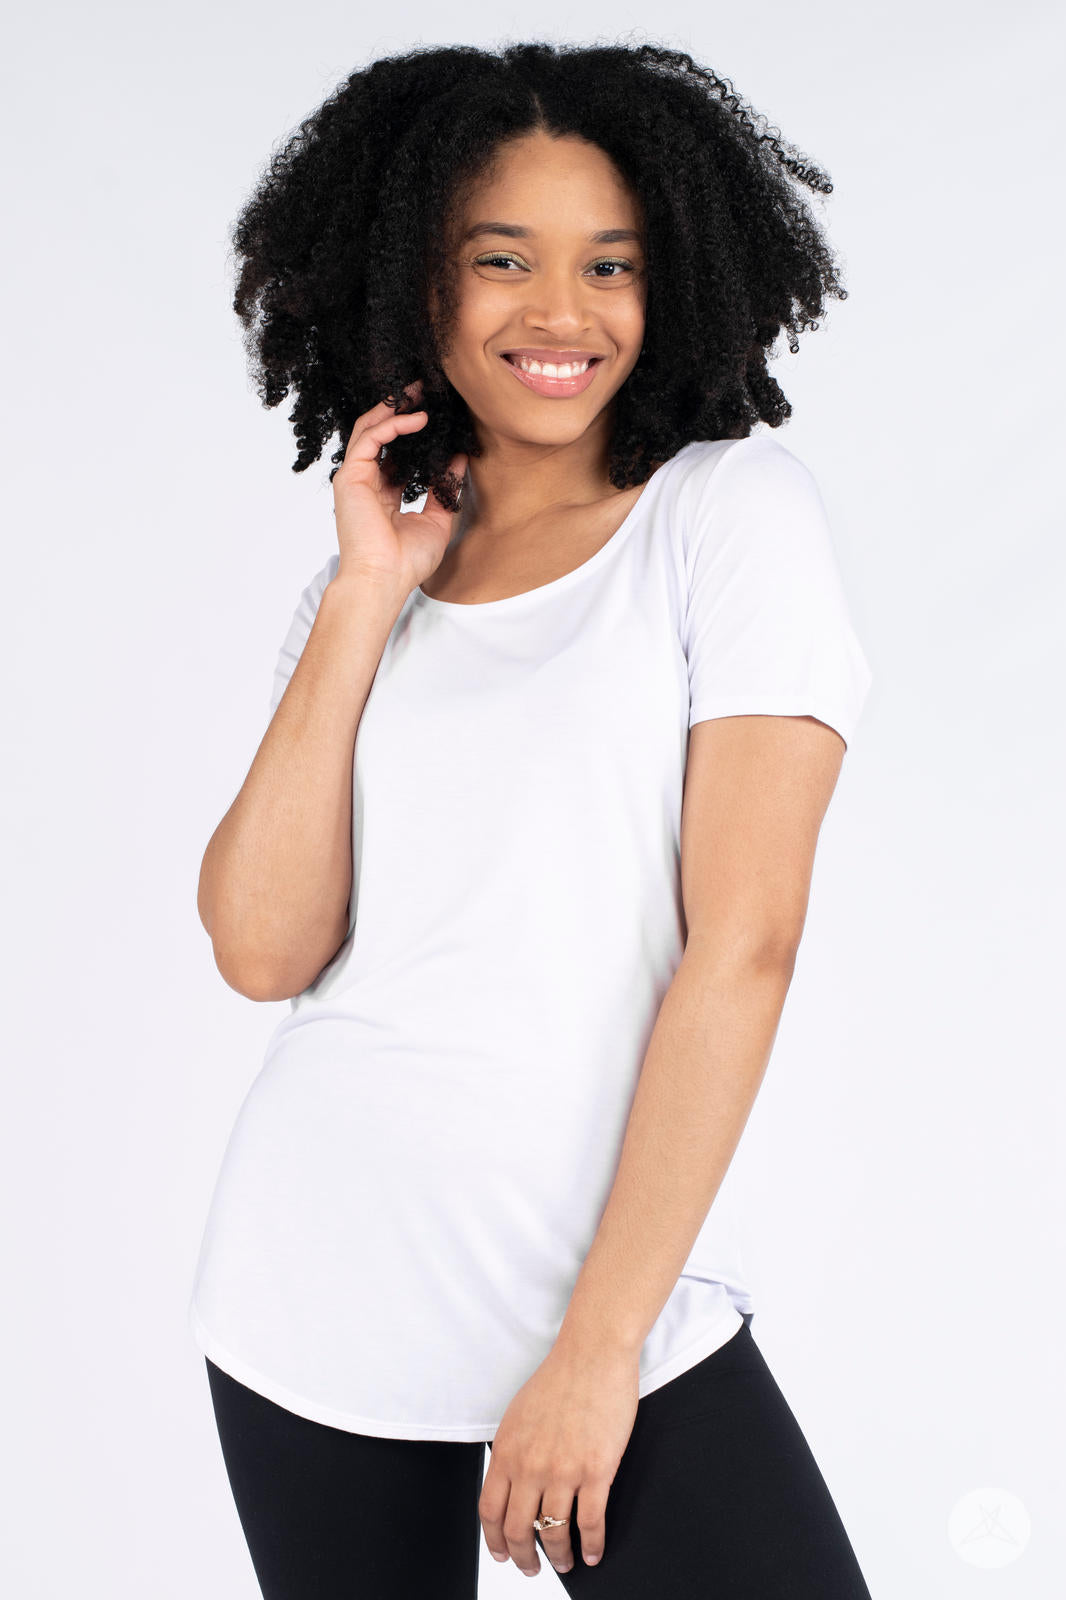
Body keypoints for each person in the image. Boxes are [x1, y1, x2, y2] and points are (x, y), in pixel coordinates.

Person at [189, 38, 876, 1599]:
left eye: (609, 267)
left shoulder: (726, 518)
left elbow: (745, 947)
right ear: (414, 284)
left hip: (603, 1304)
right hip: (317, 1290)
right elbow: (260, 946)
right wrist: (367, 592)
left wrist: (598, 1354)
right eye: (501, 261)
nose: (559, 315)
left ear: (674, 282)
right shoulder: (369, 582)